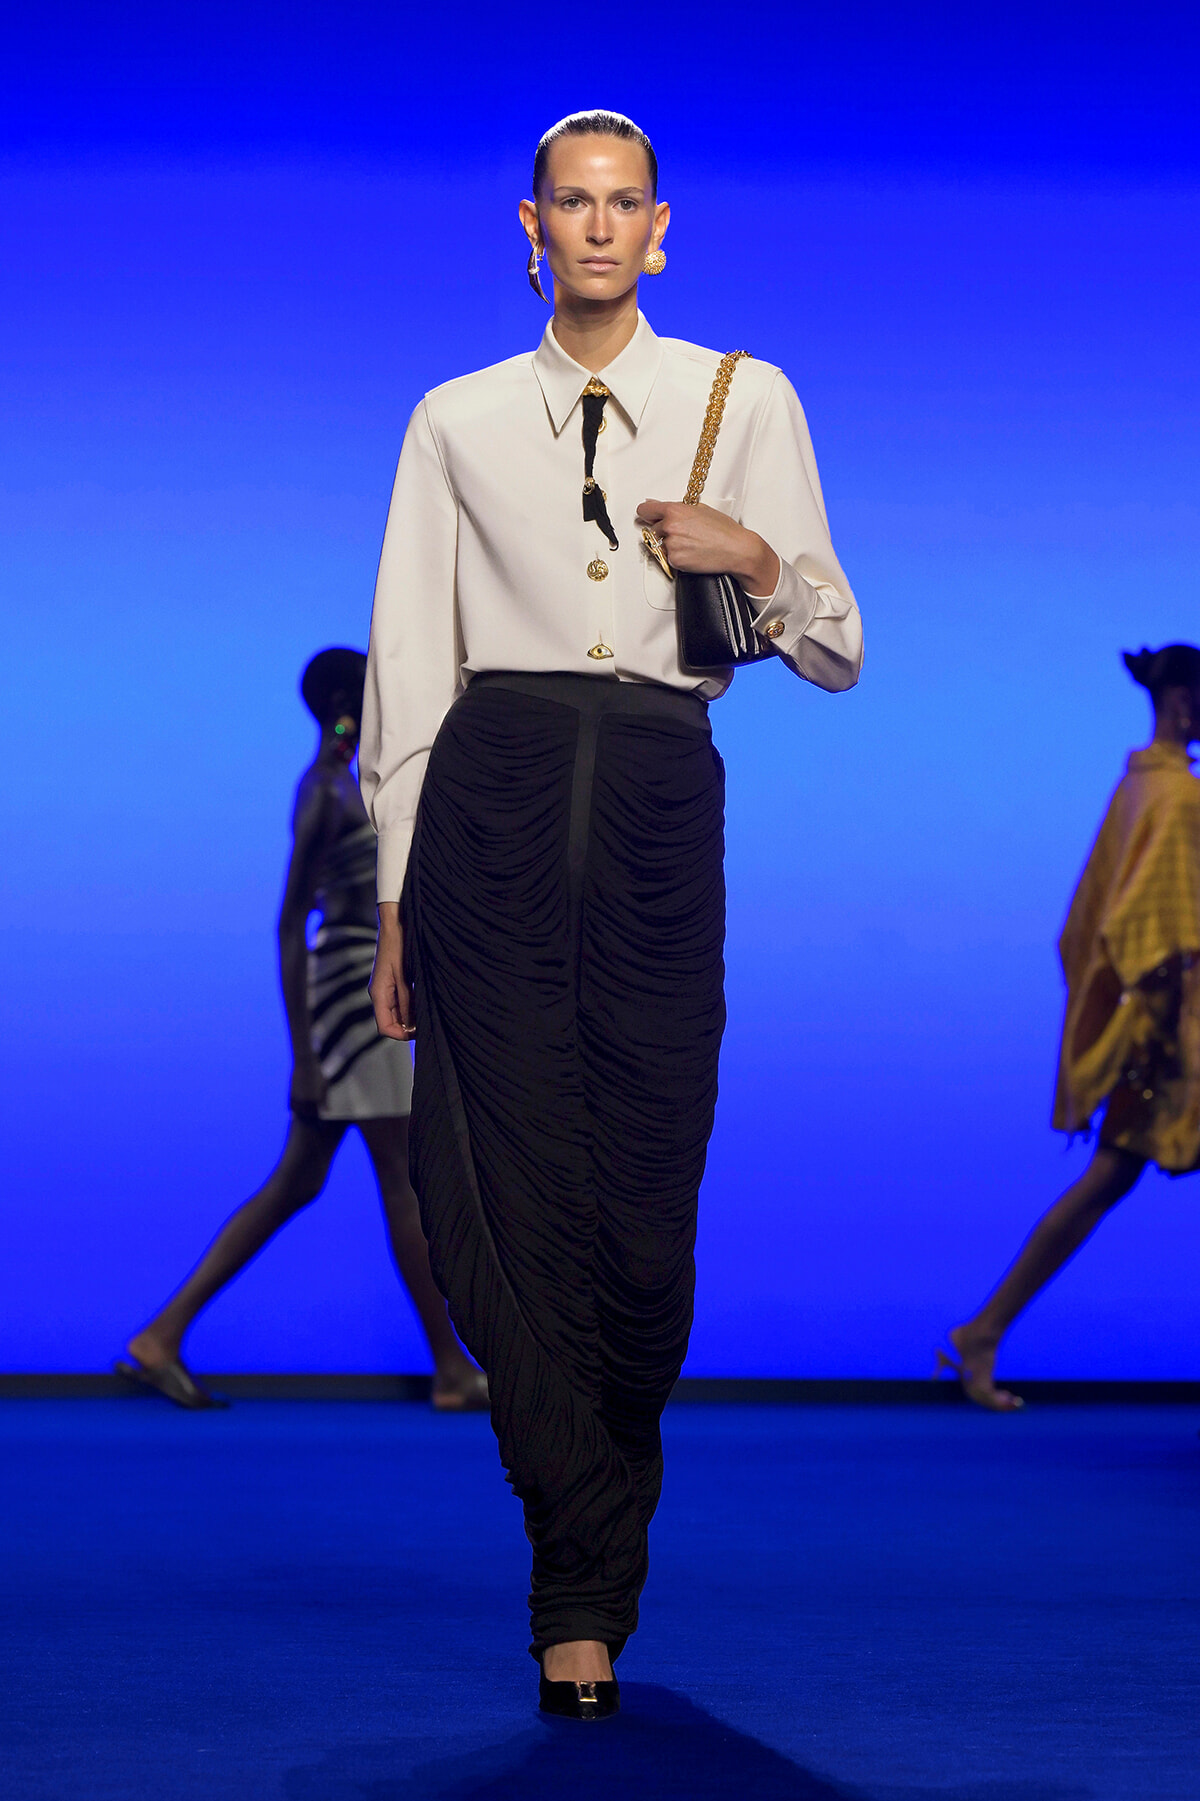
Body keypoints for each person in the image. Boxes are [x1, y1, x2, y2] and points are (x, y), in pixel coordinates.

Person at [361, 110, 862, 1720]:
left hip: (655, 791)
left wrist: (757, 559)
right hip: (488, 802)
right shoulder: (452, 417)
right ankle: (573, 1588)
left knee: (642, 1207)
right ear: (529, 226)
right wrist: (391, 898)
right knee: (492, 1179)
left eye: (621, 204)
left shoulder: (746, 395)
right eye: (568, 204)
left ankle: (602, 1520)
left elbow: (839, 644)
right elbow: (410, 669)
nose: (594, 227)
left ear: (661, 227)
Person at [117, 648, 486, 1413]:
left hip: (367, 991)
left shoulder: (367, 786)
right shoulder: (322, 791)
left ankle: (161, 1335)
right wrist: (305, 1058)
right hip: (352, 1001)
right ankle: (450, 1368)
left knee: (300, 1182)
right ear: (351, 703)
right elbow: (290, 924)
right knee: (399, 1181)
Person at [941, 643, 1200, 1411]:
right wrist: (1185, 1038)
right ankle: (982, 1329)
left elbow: (1094, 921)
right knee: (1104, 1180)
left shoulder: (1139, 788)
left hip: (1153, 1034)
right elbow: (1174, 938)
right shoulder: (1176, 798)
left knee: (1105, 1180)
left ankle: (984, 1328)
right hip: (1173, 1035)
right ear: (1183, 703)